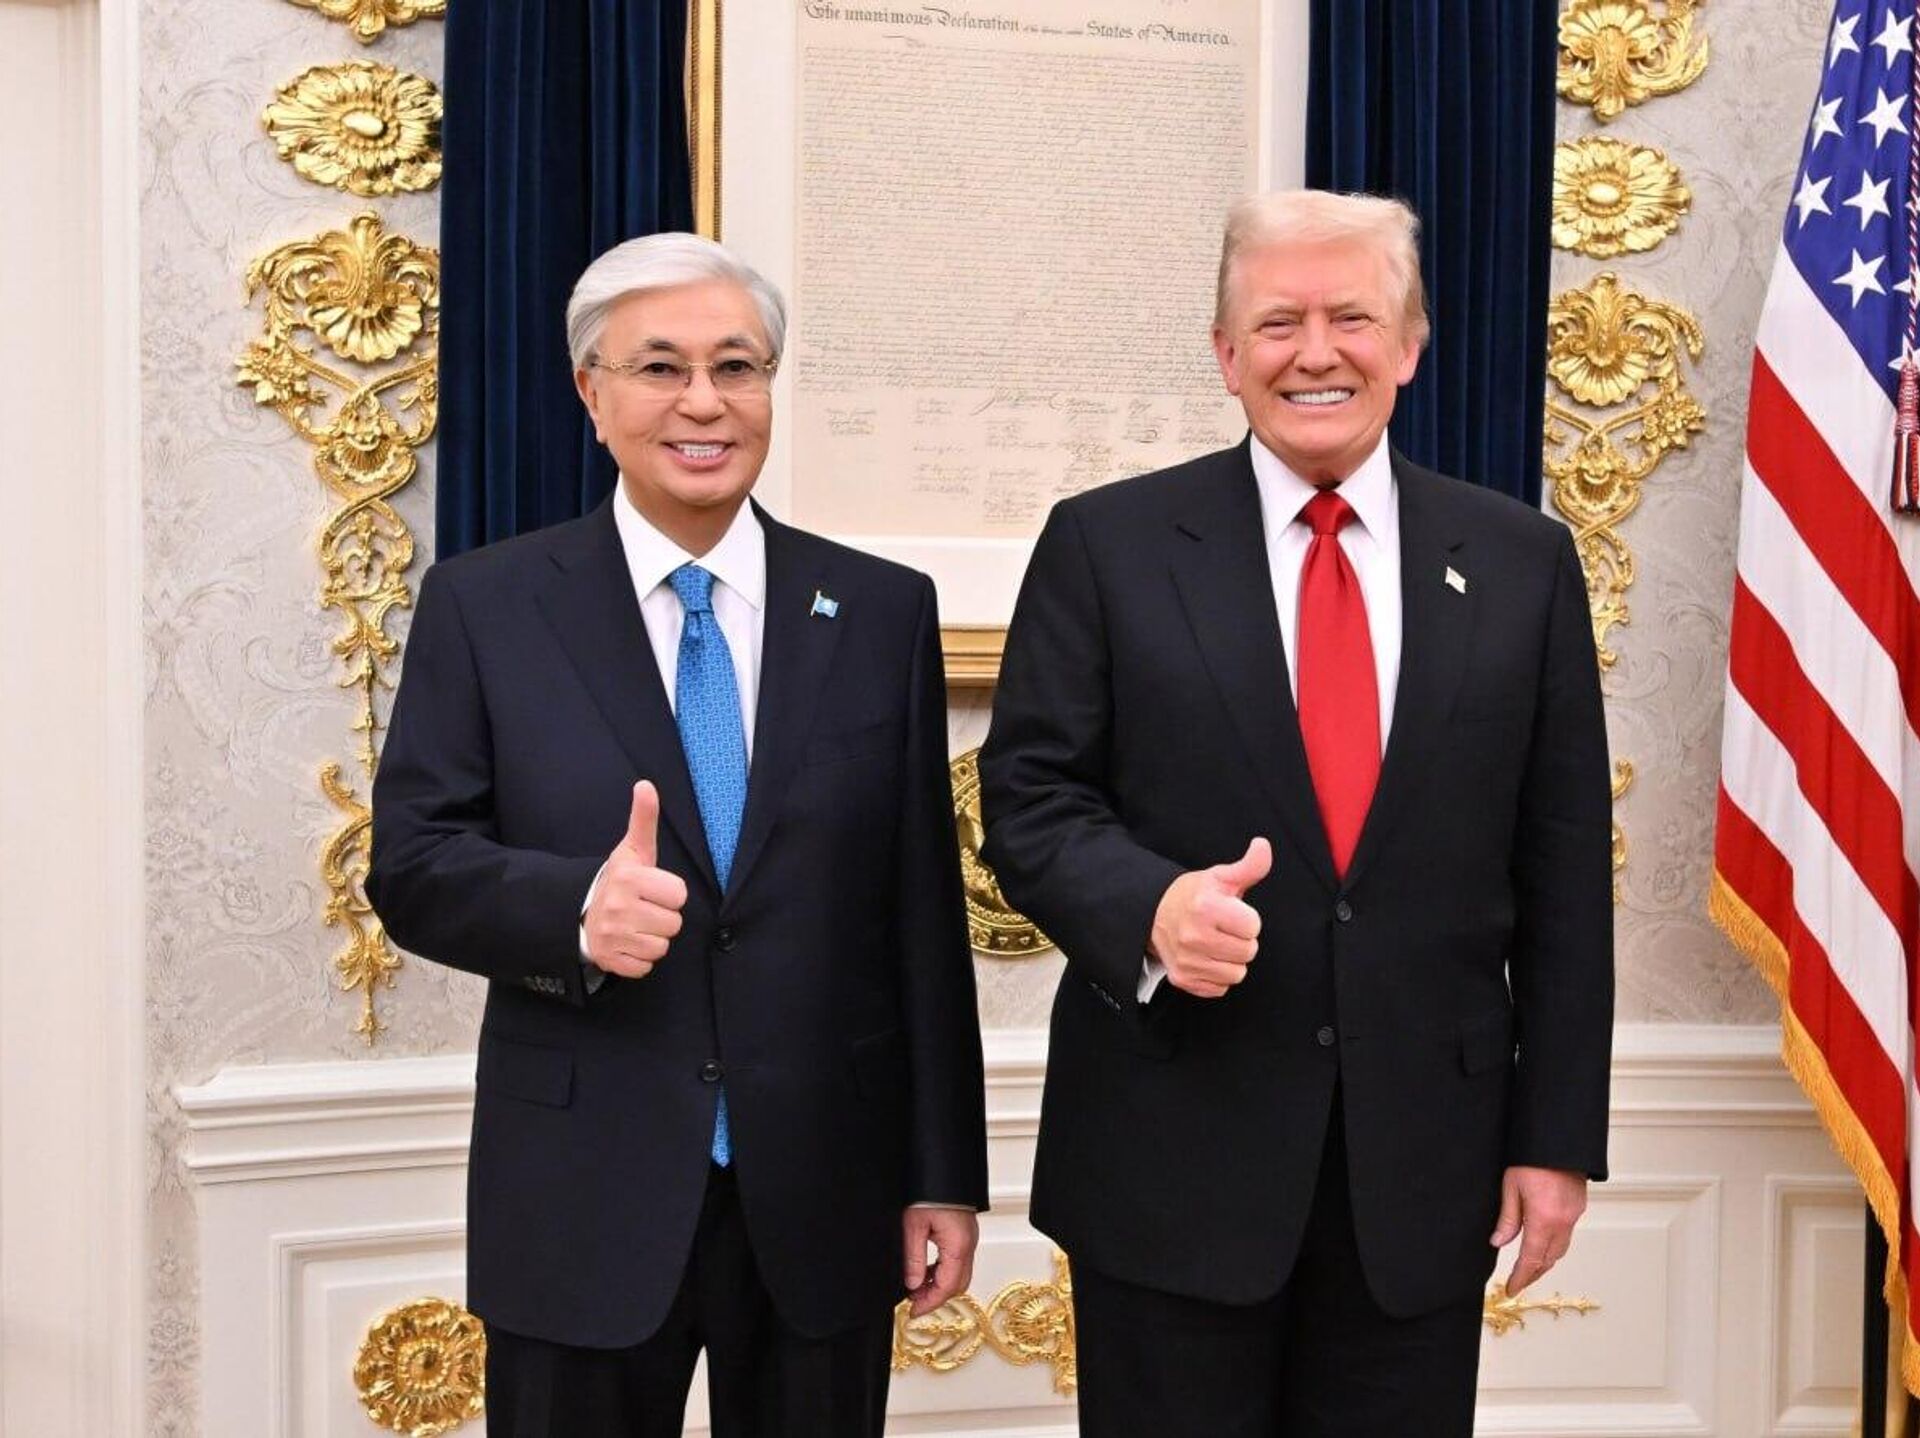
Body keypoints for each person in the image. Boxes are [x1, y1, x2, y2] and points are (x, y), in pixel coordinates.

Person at [978, 190, 1613, 1437]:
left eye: (1351, 318)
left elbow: (1564, 870)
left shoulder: (1521, 563)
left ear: (1410, 345)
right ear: (1227, 355)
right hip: (1169, 1166)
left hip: (1423, 1176)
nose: (1315, 351)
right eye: (1277, 323)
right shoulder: (1107, 545)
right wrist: (1150, 909)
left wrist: (1554, 1138)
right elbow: (1030, 798)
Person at [367, 232, 988, 1438]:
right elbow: (413, 863)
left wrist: (943, 1173)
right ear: (591, 392)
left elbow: (921, 914)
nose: (704, 401)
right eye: (660, 367)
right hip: (580, 1190)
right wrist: (570, 912)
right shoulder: (488, 605)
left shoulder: (877, 610)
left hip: (826, 1190)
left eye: (736, 367)